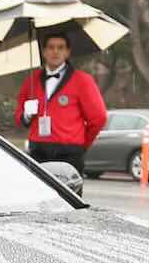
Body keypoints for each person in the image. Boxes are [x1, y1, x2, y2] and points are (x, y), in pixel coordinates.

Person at [16, 29, 108, 175]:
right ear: (44, 52)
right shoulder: (31, 82)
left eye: (60, 47)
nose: (55, 52)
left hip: (69, 153)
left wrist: (82, 145)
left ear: (67, 52)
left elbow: (99, 117)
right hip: (38, 151)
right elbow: (19, 116)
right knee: (40, 196)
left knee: (67, 197)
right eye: (51, 47)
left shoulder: (82, 80)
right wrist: (26, 115)